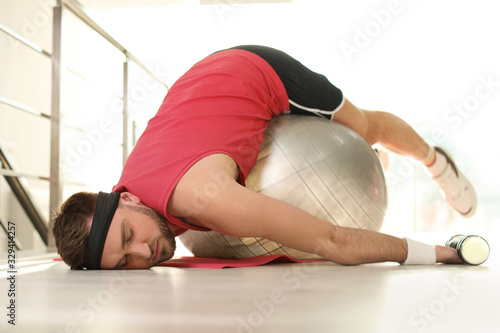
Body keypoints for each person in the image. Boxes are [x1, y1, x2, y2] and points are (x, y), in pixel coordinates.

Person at [52, 45, 477, 270]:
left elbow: (334, 240)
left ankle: (435, 162)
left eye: (129, 239)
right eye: (125, 263)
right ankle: (376, 163)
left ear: (125, 201)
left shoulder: (204, 195)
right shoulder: (121, 207)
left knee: (364, 127)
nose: (144, 253)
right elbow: (92, 241)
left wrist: (445, 254)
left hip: (253, 69)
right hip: (198, 88)